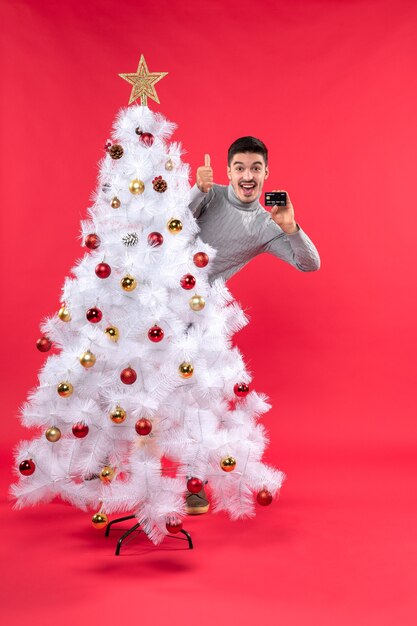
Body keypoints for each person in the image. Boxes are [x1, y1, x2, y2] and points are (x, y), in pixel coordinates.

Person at [185, 136, 321, 514]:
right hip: (157, 295)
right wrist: (198, 189)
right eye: (240, 168)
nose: (248, 175)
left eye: (255, 168)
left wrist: (292, 227)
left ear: (266, 174)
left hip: (201, 316)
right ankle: (99, 465)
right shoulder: (210, 194)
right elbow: (170, 223)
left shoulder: (266, 225)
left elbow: (310, 264)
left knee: (199, 402)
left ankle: (192, 483)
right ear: (230, 171)